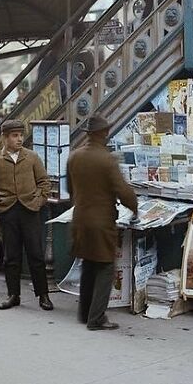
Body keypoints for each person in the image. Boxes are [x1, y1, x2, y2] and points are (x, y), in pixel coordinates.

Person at [67, 114, 138, 331]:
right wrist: (134, 207)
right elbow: (122, 190)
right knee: (106, 268)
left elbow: (70, 189)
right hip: (101, 223)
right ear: (103, 134)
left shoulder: (74, 157)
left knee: (88, 265)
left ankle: (84, 313)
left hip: (79, 219)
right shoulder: (107, 160)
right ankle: (96, 318)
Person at [0, 119, 53, 311]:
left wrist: (38, 201)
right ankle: (13, 295)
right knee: (11, 256)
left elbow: (45, 183)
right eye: (14, 136)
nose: (19, 139)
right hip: (7, 212)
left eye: (21, 135)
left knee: (36, 254)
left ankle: (43, 295)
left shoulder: (32, 157)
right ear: (5, 138)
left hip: (30, 210)